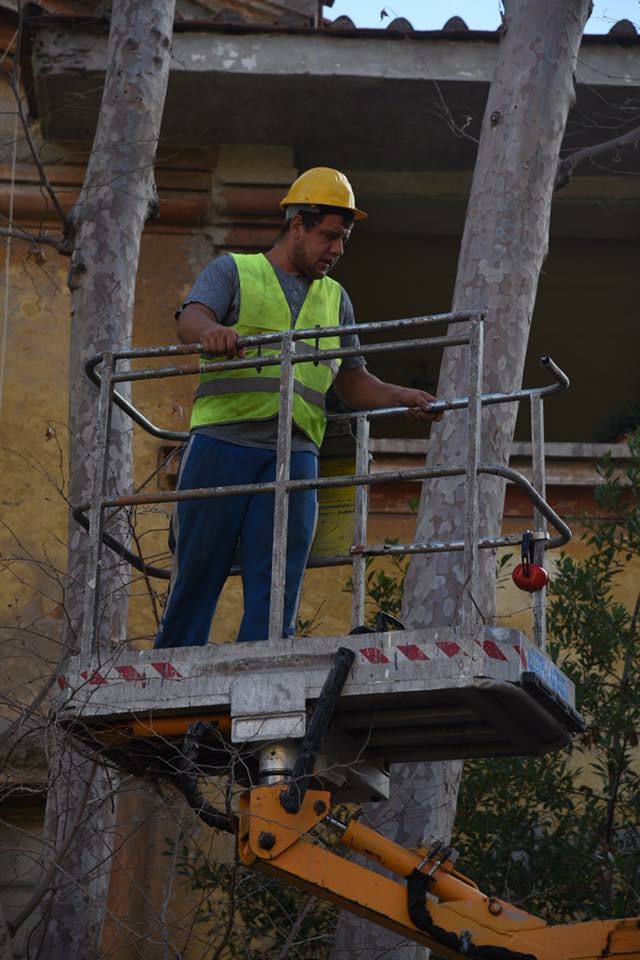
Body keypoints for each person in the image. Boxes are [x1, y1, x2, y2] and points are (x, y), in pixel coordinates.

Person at [154, 167, 441, 648]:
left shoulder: (336, 300)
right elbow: (192, 316)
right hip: (222, 445)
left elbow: (351, 378)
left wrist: (398, 397)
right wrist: (211, 333)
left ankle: (261, 669)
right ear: (296, 227)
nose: (337, 249)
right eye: (329, 236)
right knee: (197, 571)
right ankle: (169, 678)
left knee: (279, 582)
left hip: (298, 452)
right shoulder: (234, 271)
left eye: (344, 239)